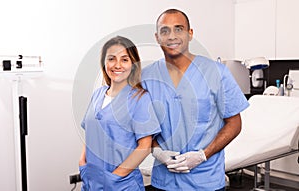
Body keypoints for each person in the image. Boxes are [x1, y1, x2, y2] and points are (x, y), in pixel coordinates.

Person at [141, 9, 249, 190]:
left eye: (179, 29)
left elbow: (234, 123)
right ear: (157, 37)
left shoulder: (217, 73)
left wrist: (202, 155)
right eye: (164, 31)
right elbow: (142, 127)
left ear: (190, 34)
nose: (172, 36)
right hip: (164, 182)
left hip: (206, 182)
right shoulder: (146, 78)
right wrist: (158, 152)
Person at [78, 36, 161, 191]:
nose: (117, 65)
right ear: (104, 62)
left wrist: (115, 177)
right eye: (111, 59)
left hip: (121, 185)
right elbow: (90, 133)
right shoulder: (98, 94)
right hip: (91, 182)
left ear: (133, 64)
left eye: (124, 59)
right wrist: (82, 163)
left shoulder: (139, 98)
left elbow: (145, 145)